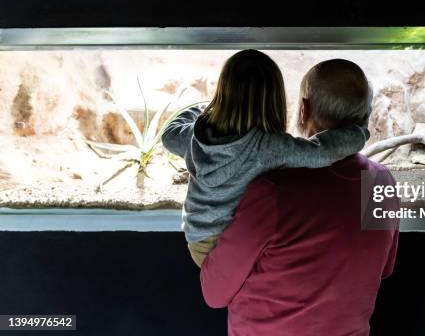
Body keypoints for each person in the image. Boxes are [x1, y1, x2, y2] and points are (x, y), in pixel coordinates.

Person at [201, 59, 399, 336]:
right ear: (367, 115)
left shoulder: (272, 191)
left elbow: (214, 292)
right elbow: (383, 269)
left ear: (303, 110)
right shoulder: (380, 182)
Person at [161, 50, 369, 267]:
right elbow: (321, 152)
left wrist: (202, 108)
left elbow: (169, 134)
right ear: (274, 101)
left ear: (222, 94)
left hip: (197, 240)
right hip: (233, 244)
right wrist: (359, 132)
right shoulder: (266, 147)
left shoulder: (195, 137)